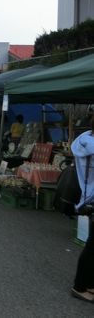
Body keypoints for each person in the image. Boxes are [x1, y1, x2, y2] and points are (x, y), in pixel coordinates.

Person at [70, 116, 94, 302]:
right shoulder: (91, 145)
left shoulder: (84, 139)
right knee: (93, 246)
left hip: (89, 196)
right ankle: (80, 286)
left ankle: (88, 283)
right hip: (93, 196)